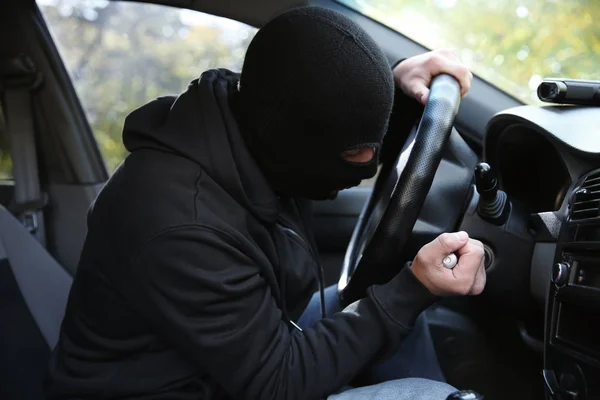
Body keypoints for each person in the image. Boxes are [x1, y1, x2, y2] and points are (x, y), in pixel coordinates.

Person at [45, 6, 485, 400]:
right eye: (355, 152)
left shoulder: (256, 123)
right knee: (427, 394)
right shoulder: (182, 226)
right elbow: (277, 382)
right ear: (292, 142)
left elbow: (319, 111)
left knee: (397, 311)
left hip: (232, 354)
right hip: (181, 387)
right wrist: (411, 290)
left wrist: (397, 93)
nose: (367, 168)